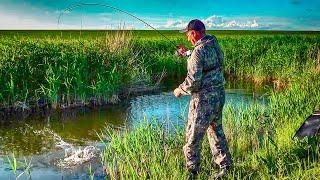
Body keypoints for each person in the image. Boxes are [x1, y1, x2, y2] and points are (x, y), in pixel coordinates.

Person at [173, 19, 233, 179]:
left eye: (188, 34)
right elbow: (207, 60)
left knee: (193, 136)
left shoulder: (198, 52)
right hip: (218, 97)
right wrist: (187, 53)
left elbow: (193, 82)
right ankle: (226, 166)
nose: (187, 38)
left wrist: (180, 89)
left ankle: (192, 172)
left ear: (194, 33)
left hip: (203, 101)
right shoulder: (214, 45)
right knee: (216, 132)